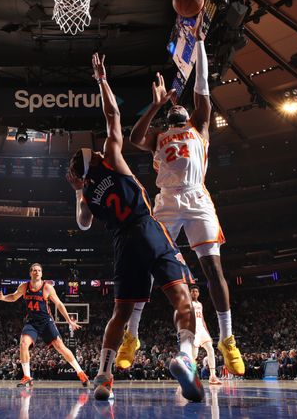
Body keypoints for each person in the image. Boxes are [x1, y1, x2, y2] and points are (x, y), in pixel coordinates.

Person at [66, 53, 203, 402]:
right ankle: (186, 358)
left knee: (121, 313)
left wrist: (80, 191)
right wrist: (102, 80)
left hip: (122, 244)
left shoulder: (86, 195)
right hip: (147, 229)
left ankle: (103, 376)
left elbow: (82, 225)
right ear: (95, 159)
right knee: (182, 298)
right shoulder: (112, 157)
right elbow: (113, 115)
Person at [120, 34, 244, 377]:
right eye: (172, 110)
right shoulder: (158, 135)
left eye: (180, 106)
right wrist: (157, 105)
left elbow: (202, 85)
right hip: (167, 202)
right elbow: (133, 138)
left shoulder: (200, 128)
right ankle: (133, 335)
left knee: (213, 269)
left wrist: (202, 41)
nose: (179, 108)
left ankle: (227, 338)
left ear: (187, 112)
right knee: (143, 267)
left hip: (197, 198)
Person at [0, 263, 88, 388]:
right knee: (23, 343)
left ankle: (81, 373)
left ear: (42, 273)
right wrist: (3, 297)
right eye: (34, 270)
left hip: (46, 321)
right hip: (32, 322)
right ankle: (27, 377)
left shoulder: (47, 287)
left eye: (39, 270)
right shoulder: (24, 286)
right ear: (30, 273)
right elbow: (14, 297)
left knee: (60, 347)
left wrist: (69, 320)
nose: (37, 272)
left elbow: (59, 304)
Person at [189, 285, 221, 385]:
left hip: (202, 330)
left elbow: (202, 319)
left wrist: (207, 332)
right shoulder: (188, 303)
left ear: (198, 293)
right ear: (190, 293)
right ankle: (191, 376)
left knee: (211, 349)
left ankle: (212, 376)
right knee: (193, 355)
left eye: (196, 291)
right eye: (193, 291)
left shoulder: (200, 304)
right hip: (193, 331)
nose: (194, 293)